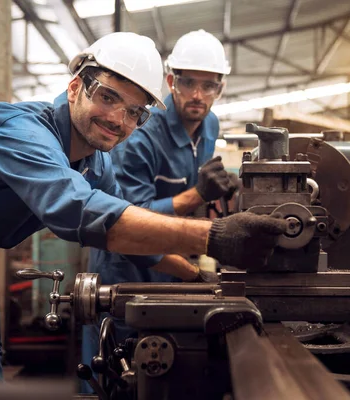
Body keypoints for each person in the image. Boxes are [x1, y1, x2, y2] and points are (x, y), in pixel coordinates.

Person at [0, 32, 287, 378]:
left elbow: (132, 234)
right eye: (108, 97)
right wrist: (214, 236)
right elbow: (80, 210)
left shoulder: (95, 164)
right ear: (74, 88)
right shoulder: (17, 129)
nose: (118, 119)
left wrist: (200, 280)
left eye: (135, 112)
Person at [81, 30, 236, 376]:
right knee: (116, 361)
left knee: (165, 365)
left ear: (220, 88)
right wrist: (197, 195)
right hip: (125, 267)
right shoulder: (139, 132)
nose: (198, 95)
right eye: (188, 83)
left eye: (208, 85)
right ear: (170, 81)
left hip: (173, 261)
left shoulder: (210, 124)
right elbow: (129, 219)